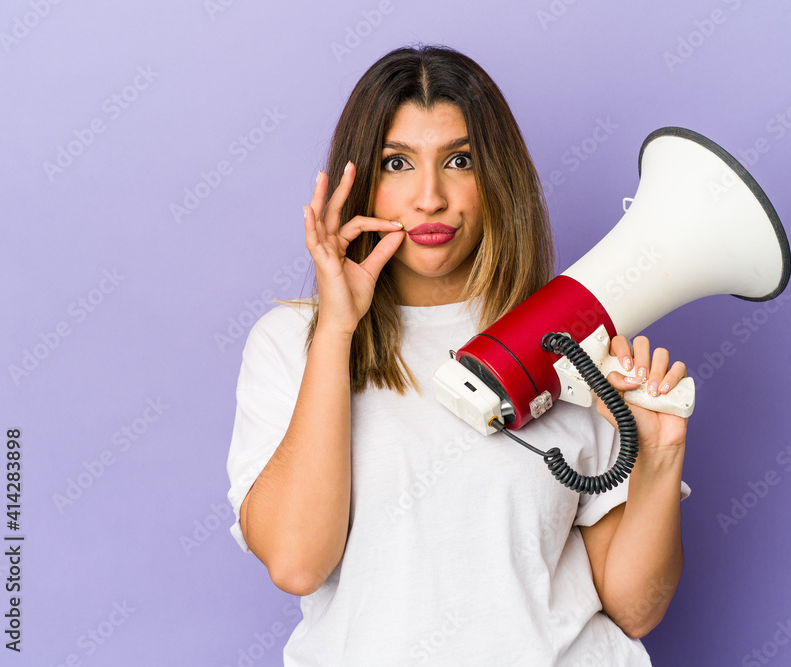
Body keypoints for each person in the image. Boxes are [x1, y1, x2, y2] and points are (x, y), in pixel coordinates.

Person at [226, 44, 691, 666]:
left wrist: (657, 457)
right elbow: (296, 561)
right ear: (358, 179)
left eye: (460, 160)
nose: (429, 197)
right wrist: (338, 329)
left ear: (497, 177)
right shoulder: (291, 343)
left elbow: (635, 608)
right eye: (397, 163)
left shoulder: (565, 338)